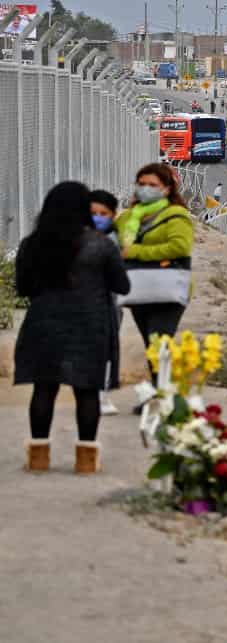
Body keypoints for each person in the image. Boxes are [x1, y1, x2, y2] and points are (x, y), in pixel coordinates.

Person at [14, 182, 130, 474]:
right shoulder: (100, 245)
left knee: (44, 388)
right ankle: (86, 459)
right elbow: (122, 285)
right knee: (87, 391)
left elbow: (23, 288)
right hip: (89, 325)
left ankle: (38, 455)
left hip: (43, 324)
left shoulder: (32, 244)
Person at [115, 163, 195, 398]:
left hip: (168, 289)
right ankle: (159, 393)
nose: (146, 189)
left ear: (167, 189)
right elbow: (115, 242)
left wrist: (136, 252)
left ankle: (163, 395)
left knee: (160, 342)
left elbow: (180, 247)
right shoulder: (129, 217)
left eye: (153, 185)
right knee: (151, 344)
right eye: (142, 184)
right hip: (138, 288)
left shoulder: (176, 216)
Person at [89, 190, 124, 416]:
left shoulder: (115, 238)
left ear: (113, 215)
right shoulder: (76, 236)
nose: (98, 217)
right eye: (93, 213)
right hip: (86, 302)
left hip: (110, 301)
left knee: (106, 347)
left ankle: (100, 394)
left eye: (104, 213)